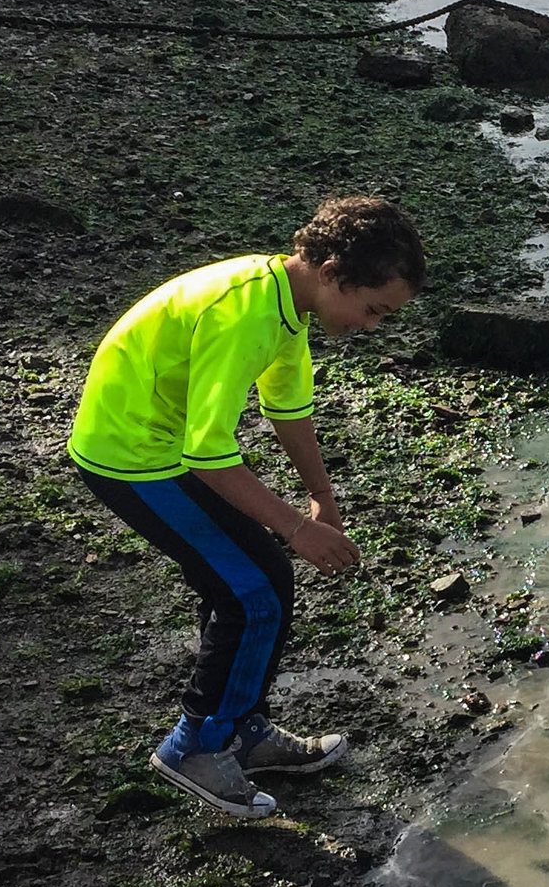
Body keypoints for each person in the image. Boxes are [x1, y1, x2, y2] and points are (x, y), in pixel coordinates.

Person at [67, 196, 424, 819]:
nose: (372, 327)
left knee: (247, 579)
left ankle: (245, 731)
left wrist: (321, 499)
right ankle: (196, 747)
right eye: (373, 310)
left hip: (165, 444)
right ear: (334, 271)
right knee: (256, 589)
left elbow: (288, 409)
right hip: (131, 453)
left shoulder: (286, 299)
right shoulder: (243, 314)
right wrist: (293, 529)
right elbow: (209, 454)